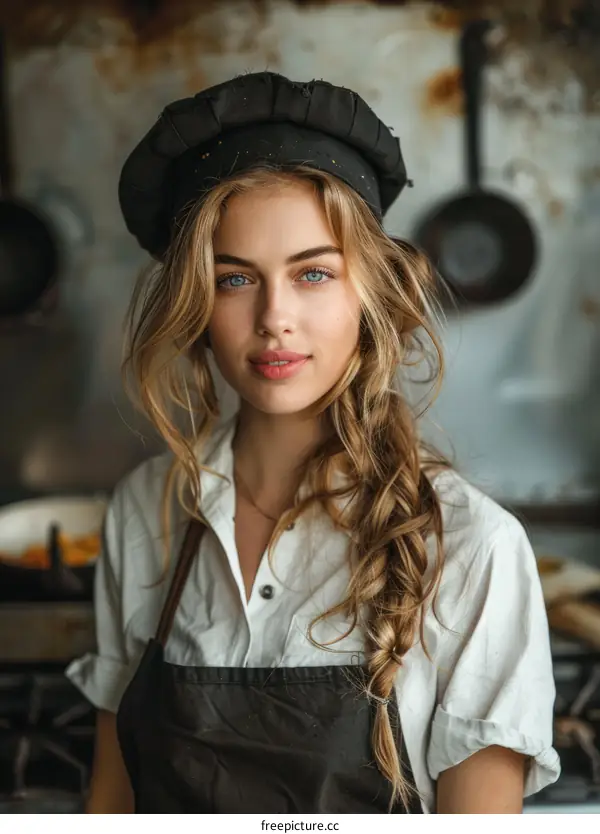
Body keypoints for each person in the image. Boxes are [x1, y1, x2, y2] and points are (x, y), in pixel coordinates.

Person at [66, 71, 560, 814]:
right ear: (196, 305)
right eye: (235, 280)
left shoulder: (471, 547)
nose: (275, 318)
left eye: (314, 274)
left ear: (371, 292)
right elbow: (114, 804)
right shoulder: (147, 509)